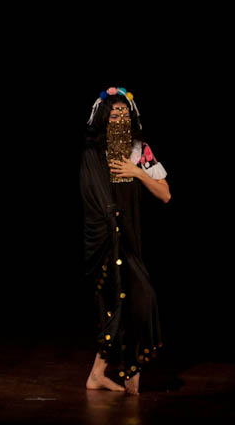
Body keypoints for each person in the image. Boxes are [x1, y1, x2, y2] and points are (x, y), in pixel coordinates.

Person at [80, 86, 171, 395]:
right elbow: (91, 199)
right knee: (123, 302)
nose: (119, 116)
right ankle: (116, 376)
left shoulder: (139, 150)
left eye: (123, 112)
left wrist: (137, 172)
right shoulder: (94, 155)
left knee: (137, 303)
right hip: (108, 242)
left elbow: (166, 194)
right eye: (113, 112)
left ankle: (105, 374)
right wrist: (110, 227)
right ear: (104, 116)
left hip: (131, 239)